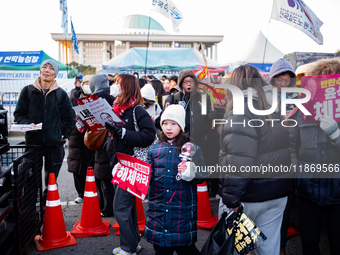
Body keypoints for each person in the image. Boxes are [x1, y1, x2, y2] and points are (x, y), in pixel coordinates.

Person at [219, 65, 291, 255]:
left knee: (232, 248)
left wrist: (231, 199)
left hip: (248, 196)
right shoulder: (274, 108)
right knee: (269, 250)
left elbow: (239, 161)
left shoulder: (241, 111)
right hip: (276, 194)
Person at [289, 58, 340, 255]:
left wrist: (336, 134)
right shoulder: (302, 110)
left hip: (337, 193)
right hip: (308, 191)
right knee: (309, 244)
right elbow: (292, 145)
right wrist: (297, 173)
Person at [104, 73, 156, 255]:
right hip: (120, 164)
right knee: (129, 208)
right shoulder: (116, 109)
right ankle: (133, 243)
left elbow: (150, 136)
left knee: (120, 207)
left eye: (118, 83)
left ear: (126, 87)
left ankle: (127, 248)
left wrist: (123, 133)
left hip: (133, 166)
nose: (114, 86)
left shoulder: (137, 110)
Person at [144, 104, 206, 255]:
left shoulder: (193, 148)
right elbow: (146, 177)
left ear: (181, 126)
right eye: (165, 123)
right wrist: (126, 170)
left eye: (173, 123)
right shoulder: (154, 149)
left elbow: (202, 176)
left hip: (182, 212)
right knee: (161, 250)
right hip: (158, 212)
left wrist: (191, 172)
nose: (168, 128)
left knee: (187, 249)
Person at [14, 59, 76, 204]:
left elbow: (70, 118)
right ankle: (30, 216)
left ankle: (48, 212)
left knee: (51, 182)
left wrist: (62, 135)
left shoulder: (61, 94)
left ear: (55, 74)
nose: (47, 70)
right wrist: (28, 124)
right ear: (40, 70)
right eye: (44, 67)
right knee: (30, 181)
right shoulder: (28, 90)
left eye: (51, 68)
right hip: (32, 144)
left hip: (54, 145)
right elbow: (18, 114)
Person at [268, 58, 297, 255]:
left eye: (287, 80)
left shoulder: (297, 96)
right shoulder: (263, 97)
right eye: (279, 79)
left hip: (290, 154)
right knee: (268, 205)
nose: (283, 84)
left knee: (285, 206)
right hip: (269, 156)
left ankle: (281, 247)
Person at [89, 74, 116, 217]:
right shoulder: (113, 98)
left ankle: (107, 209)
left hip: (100, 141)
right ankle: (108, 207)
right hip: (112, 140)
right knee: (108, 176)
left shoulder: (94, 100)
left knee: (103, 177)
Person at [67, 75, 93, 204]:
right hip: (75, 136)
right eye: (85, 82)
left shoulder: (97, 98)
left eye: (90, 82)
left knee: (91, 166)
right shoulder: (74, 97)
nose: (87, 85)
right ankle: (80, 193)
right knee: (76, 166)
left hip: (92, 137)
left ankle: (92, 192)